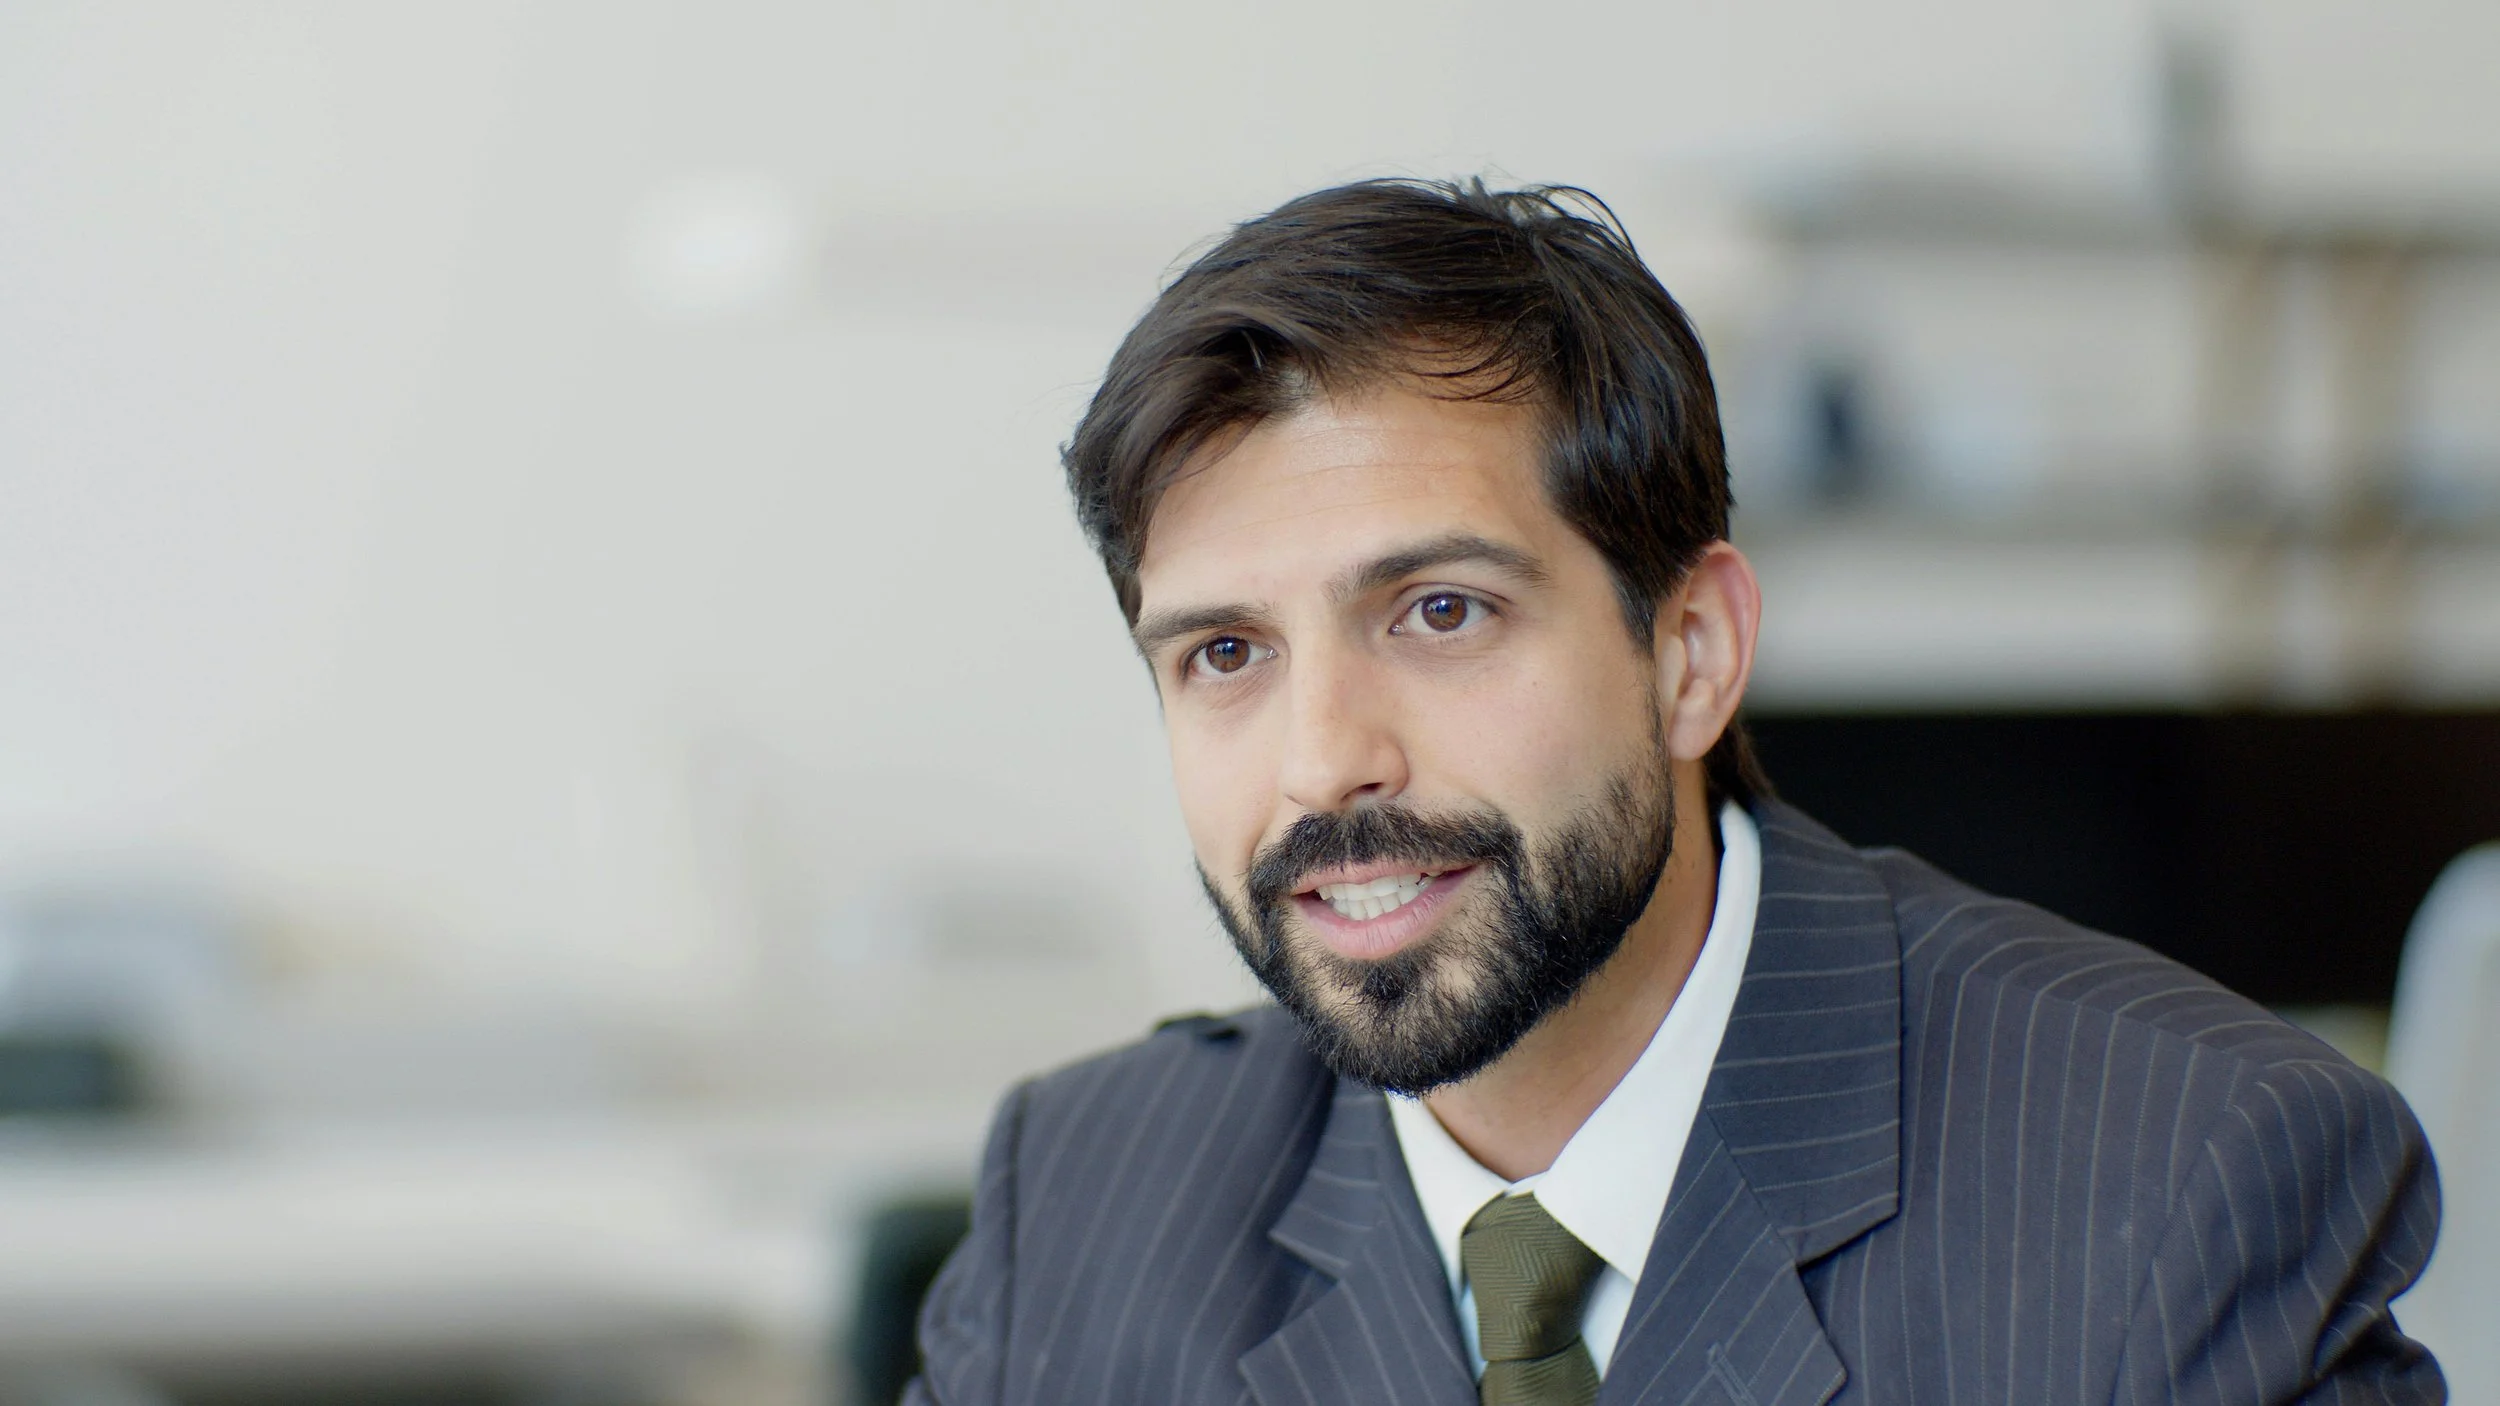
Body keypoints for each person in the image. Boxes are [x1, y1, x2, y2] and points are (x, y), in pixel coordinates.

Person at [906, 179, 2443, 1405]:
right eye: (1225, 652)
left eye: (1440, 611)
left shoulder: (2180, 1177)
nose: (1323, 760)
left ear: (1693, 653)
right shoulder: (1083, 1205)